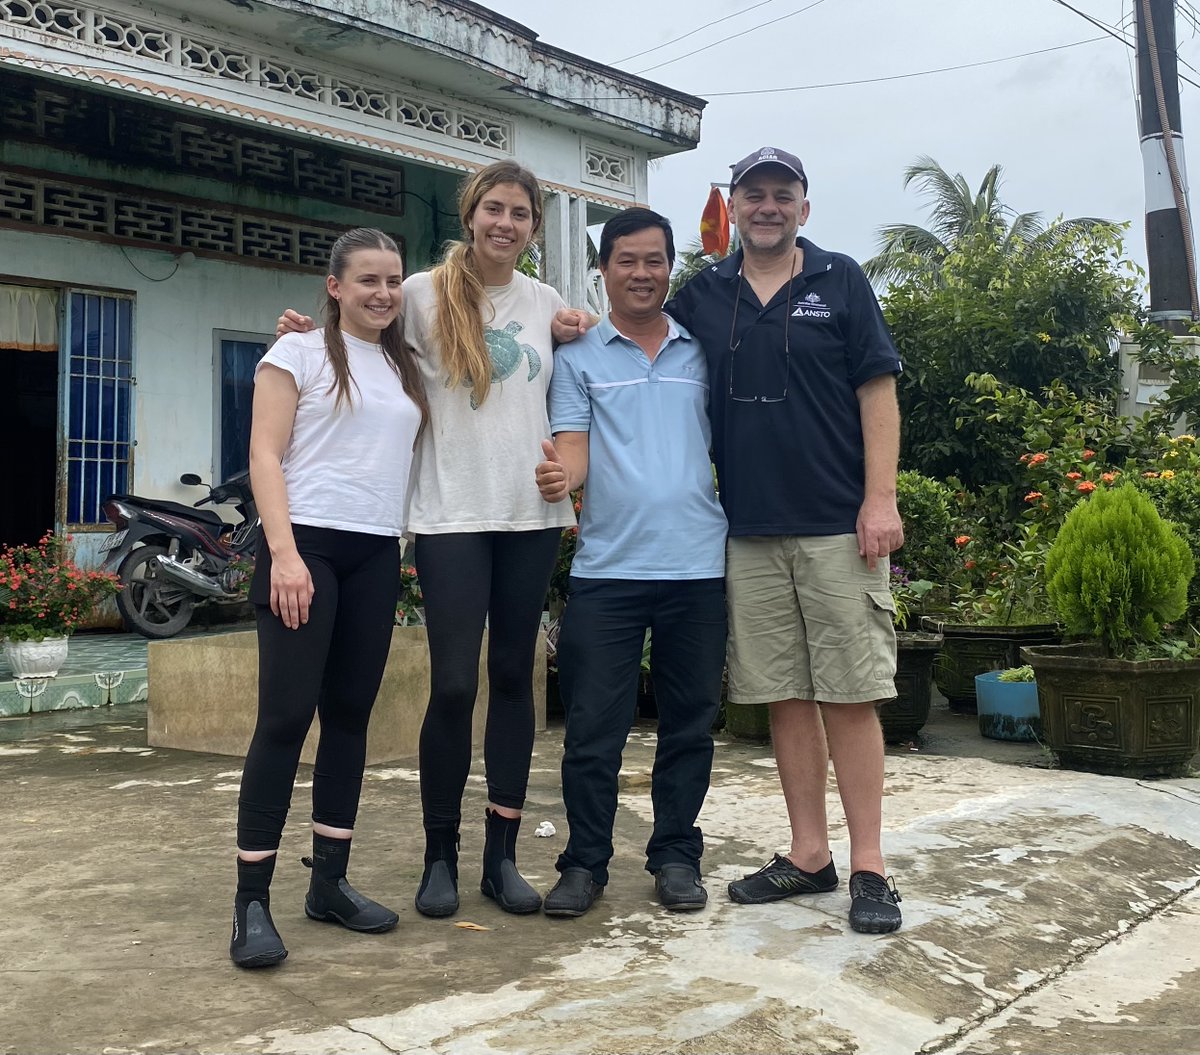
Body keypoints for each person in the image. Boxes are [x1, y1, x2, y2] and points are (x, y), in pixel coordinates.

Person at [276, 162, 575, 920]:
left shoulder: (549, 305)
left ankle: (499, 858)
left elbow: (578, 399)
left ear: (534, 228)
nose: (504, 224)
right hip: (447, 514)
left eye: (519, 213)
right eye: (492, 209)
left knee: (514, 678)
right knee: (452, 683)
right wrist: (306, 335)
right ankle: (438, 854)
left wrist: (570, 469)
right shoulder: (417, 293)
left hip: (528, 519)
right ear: (470, 215)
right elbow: (359, 332)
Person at [665, 147, 906, 933]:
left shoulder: (839, 280)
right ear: (732, 207)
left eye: (782, 195)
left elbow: (878, 390)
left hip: (840, 523)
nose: (767, 206)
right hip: (746, 530)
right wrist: (572, 324)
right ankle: (810, 853)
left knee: (850, 694)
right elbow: (644, 345)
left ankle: (868, 863)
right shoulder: (705, 294)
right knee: (786, 696)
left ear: (804, 207)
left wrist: (880, 499)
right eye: (753, 195)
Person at [231, 227, 428, 968]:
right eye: (368, 279)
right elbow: (264, 454)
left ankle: (330, 885)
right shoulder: (299, 353)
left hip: (375, 550)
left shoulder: (404, 364)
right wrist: (282, 554)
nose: (383, 292)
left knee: (348, 719)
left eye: (393, 279)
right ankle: (251, 900)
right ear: (335, 285)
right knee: (284, 718)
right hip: (305, 546)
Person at [534, 208, 727, 917]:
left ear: (669, 268)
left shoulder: (702, 351)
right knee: (592, 730)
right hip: (607, 573)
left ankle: (676, 853)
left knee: (689, 723)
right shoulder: (578, 357)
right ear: (603, 271)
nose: (641, 273)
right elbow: (573, 446)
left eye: (654, 261)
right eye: (627, 261)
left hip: (698, 568)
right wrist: (565, 478)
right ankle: (585, 861)